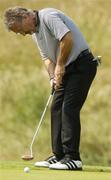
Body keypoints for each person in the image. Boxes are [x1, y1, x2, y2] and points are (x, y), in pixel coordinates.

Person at [4, 7, 98, 170]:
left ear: (26, 17)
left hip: (82, 65)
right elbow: (47, 58)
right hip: (66, 70)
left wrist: (60, 65)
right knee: (56, 108)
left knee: (69, 108)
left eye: (20, 30)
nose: (22, 34)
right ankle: (59, 155)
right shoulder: (35, 33)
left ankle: (73, 158)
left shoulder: (49, 16)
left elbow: (67, 39)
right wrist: (53, 77)